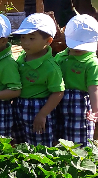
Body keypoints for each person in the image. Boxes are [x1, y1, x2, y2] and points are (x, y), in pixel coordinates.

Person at [11, 14, 65, 147]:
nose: (25, 42)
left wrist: (43, 114)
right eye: (23, 37)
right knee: (19, 144)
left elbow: (58, 92)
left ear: (48, 41)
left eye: (31, 38)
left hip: (38, 108)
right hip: (19, 105)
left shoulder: (50, 66)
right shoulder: (21, 58)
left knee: (39, 147)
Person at [55, 14, 98, 146]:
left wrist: (97, 110)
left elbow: (95, 88)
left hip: (79, 105)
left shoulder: (92, 63)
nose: (78, 48)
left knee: (79, 141)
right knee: (59, 138)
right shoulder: (60, 57)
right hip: (58, 100)